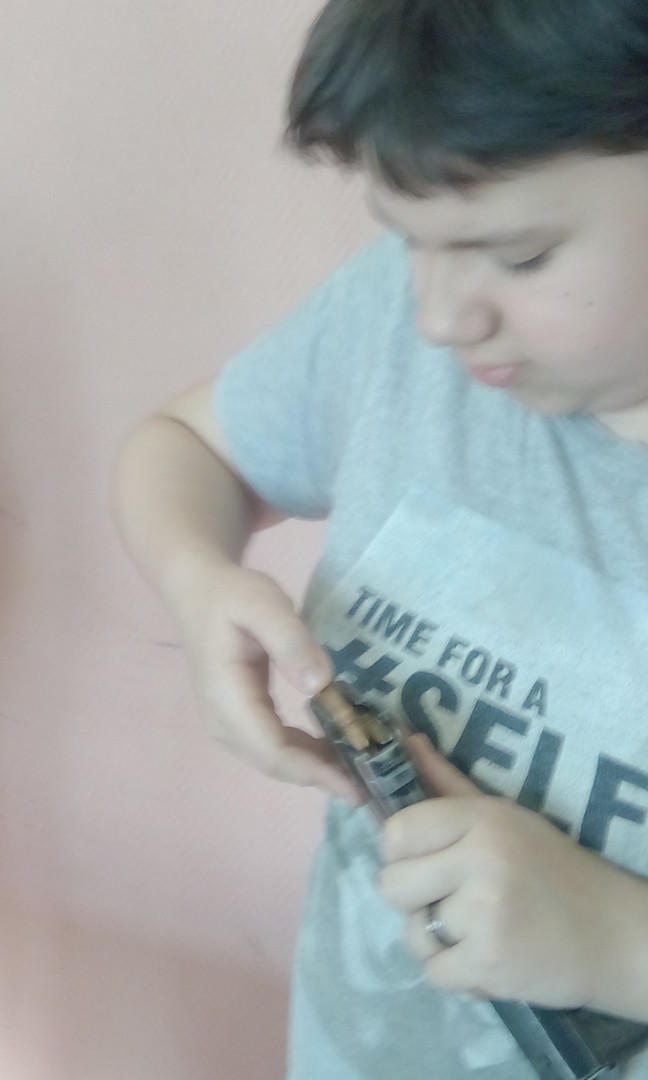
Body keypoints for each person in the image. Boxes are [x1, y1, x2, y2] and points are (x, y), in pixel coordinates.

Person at [113, 1, 648, 1076]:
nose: (441, 317)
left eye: (521, 254)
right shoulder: (397, 330)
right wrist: (201, 585)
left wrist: (619, 944)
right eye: (408, 239)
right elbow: (187, 445)